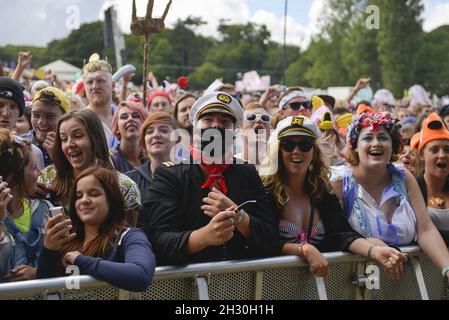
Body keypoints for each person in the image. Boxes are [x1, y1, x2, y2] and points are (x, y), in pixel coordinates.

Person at [259, 116, 406, 278]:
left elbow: (342, 233)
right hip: (270, 284)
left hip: (316, 285)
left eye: (305, 145)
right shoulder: (265, 190)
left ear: (314, 152)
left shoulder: (323, 190)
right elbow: (263, 241)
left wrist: (375, 251)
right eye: (288, 145)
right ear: (279, 151)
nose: (296, 151)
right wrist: (304, 249)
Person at [143, 92, 280, 266]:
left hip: (241, 284)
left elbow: (271, 236)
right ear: (194, 129)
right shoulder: (169, 175)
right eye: (208, 120)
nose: (216, 126)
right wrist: (204, 237)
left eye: (225, 122)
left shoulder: (247, 172)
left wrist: (240, 218)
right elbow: (157, 239)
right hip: (188, 286)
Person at [332, 110, 449, 281]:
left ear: (393, 146)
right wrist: (369, 244)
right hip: (352, 283)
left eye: (383, 138)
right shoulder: (340, 183)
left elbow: (425, 229)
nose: (376, 143)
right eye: (368, 138)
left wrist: (447, 268)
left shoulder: (403, 177)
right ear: (355, 146)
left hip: (405, 283)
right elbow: (335, 234)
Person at [37, 166, 155, 292]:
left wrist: (80, 260)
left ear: (111, 199)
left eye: (94, 194)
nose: (85, 200)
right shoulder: (67, 240)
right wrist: (48, 250)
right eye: (78, 196)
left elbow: (140, 275)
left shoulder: (128, 236)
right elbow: (44, 289)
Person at [38, 109, 141, 226]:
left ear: (95, 138)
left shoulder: (124, 186)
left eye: (77, 136)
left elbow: (128, 236)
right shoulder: (47, 178)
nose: (70, 144)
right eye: (64, 139)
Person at [0, 129, 52, 282]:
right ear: (13, 176)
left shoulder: (45, 210)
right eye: (34, 168)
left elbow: (68, 264)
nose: (40, 173)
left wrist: (39, 272)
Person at [414, 113, 449, 244]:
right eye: (434, 150)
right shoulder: (412, 189)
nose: (442, 155)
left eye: (447, 149)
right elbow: (419, 231)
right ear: (422, 155)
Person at [126, 112, 178, 197]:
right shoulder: (130, 180)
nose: (156, 135)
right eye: (150, 132)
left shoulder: (189, 176)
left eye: (164, 130)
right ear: (144, 141)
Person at [22, 86, 70, 168]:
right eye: (36, 115)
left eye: (49, 116)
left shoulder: (72, 147)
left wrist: (58, 157)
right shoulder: (19, 144)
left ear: (65, 117)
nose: (41, 122)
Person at [83, 54, 118, 149]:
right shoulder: (81, 120)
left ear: (113, 85)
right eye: (90, 82)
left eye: (100, 81)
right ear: (84, 87)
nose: (94, 86)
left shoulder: (123, 116)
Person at [111, 101, 148, 173]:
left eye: (136, 116)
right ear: (117, 128)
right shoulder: (110, 160)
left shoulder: (152, 159)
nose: (130, 119)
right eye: (124, 117)